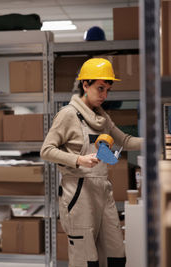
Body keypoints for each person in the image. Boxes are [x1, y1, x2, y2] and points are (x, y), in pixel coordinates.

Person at [41, 58, 142, 267]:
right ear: (85, 85)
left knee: (115, 255)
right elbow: (47, 150)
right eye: (100, 88)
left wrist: (159, 140)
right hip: (79, 192)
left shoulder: (101, 117)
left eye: (107, 90)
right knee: (86, 260)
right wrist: (78, 159)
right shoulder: (68, 115)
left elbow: (125, 141)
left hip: (103, 191)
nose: (104, 95)